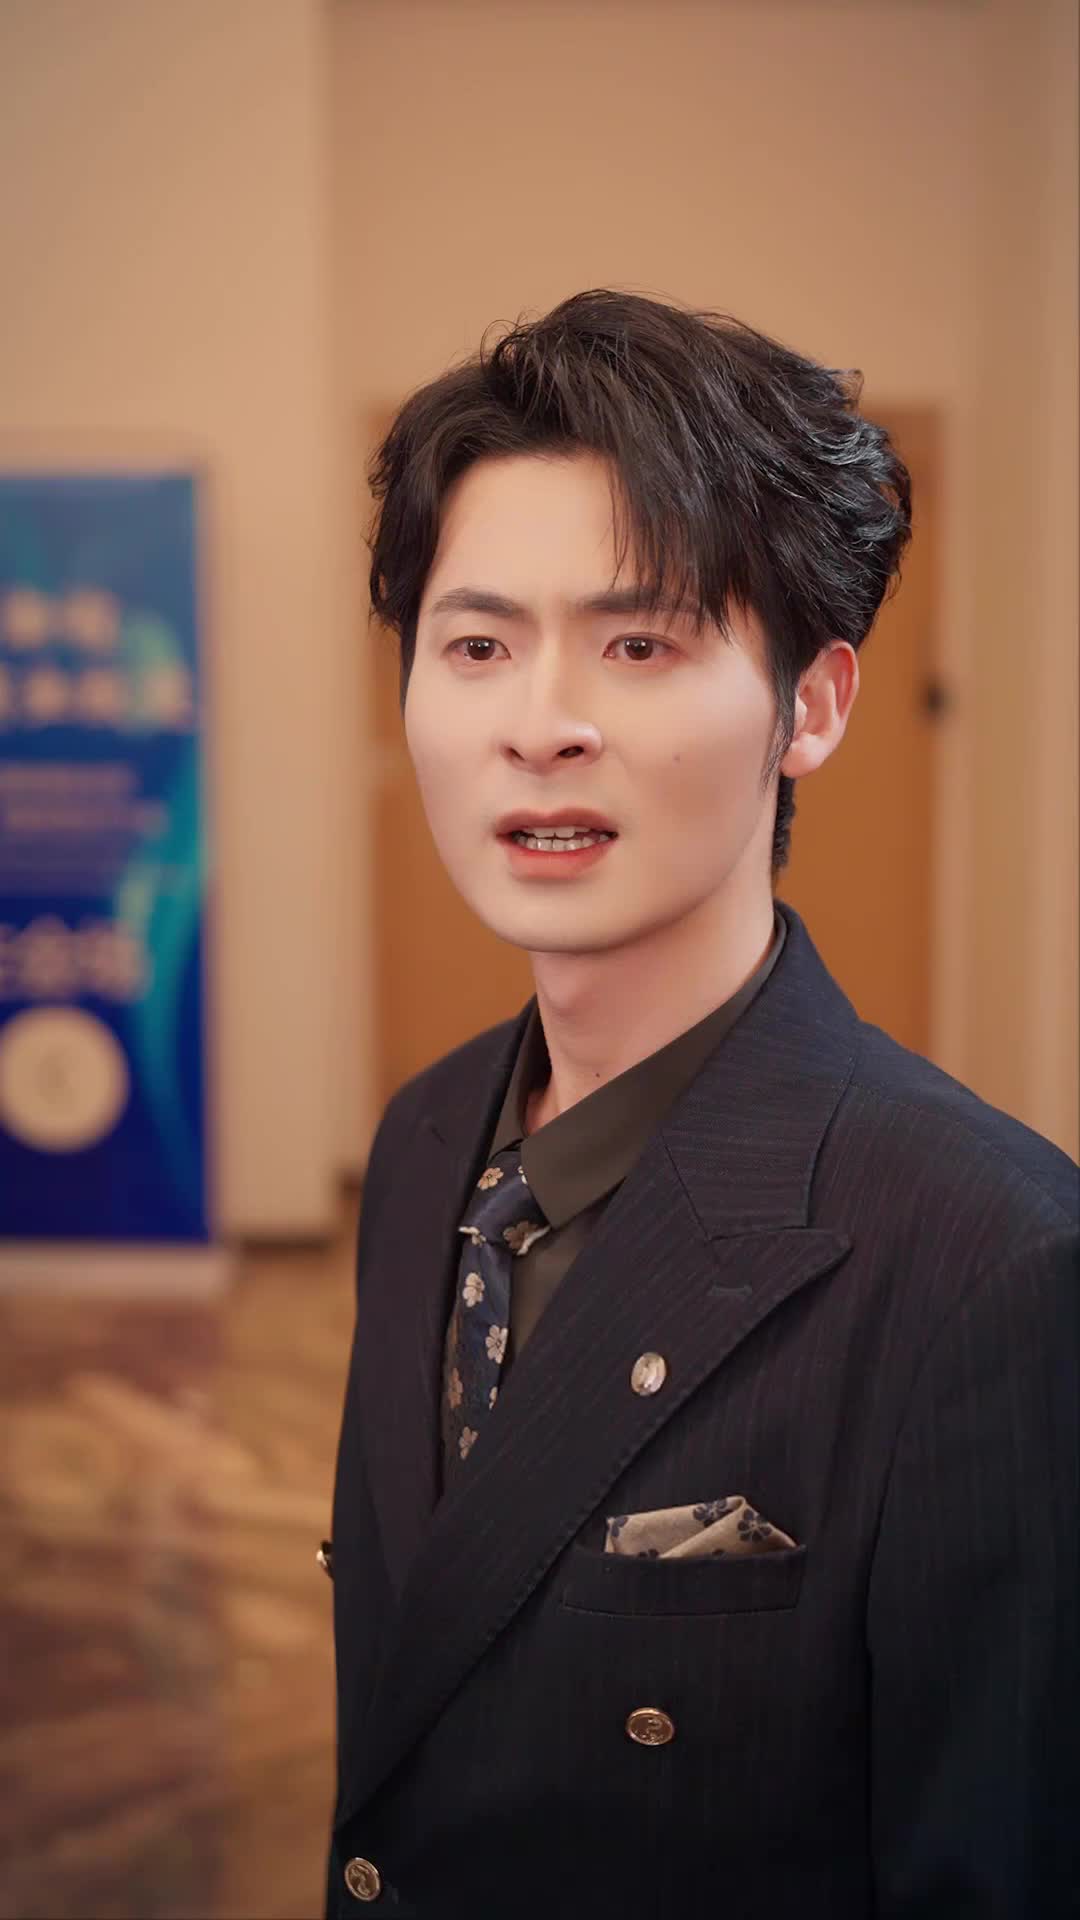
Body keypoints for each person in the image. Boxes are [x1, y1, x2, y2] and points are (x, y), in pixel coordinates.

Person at [322, 289, 1079, 1918]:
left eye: (641, 643)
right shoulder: (425, 1142)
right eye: (477, 645)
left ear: (813, 706)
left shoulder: (992, 1260)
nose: (542, 725)